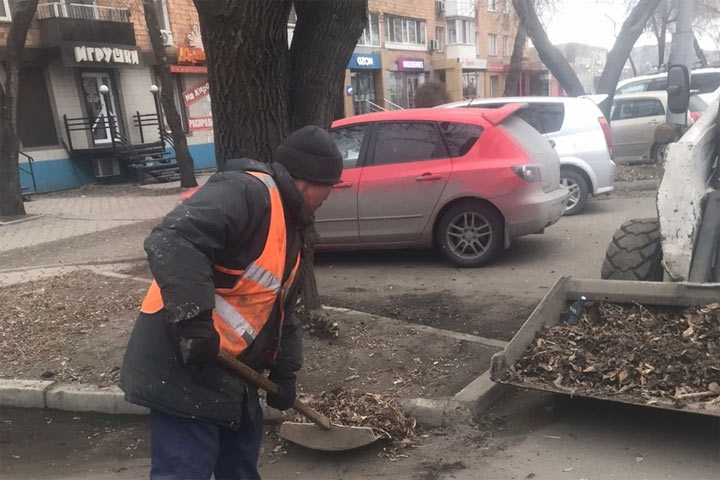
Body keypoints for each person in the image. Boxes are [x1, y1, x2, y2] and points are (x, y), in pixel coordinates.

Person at [120, 125, 343, 480]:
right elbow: (173, 240)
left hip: (230, 372)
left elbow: (278, 310)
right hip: (184, 362)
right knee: (184, 472)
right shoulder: (247, 192)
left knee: (239, 470)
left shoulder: (291, 230)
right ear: (308, 180)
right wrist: (195, 323)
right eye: (330, 186)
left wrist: (285, 372)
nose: (332, 194)